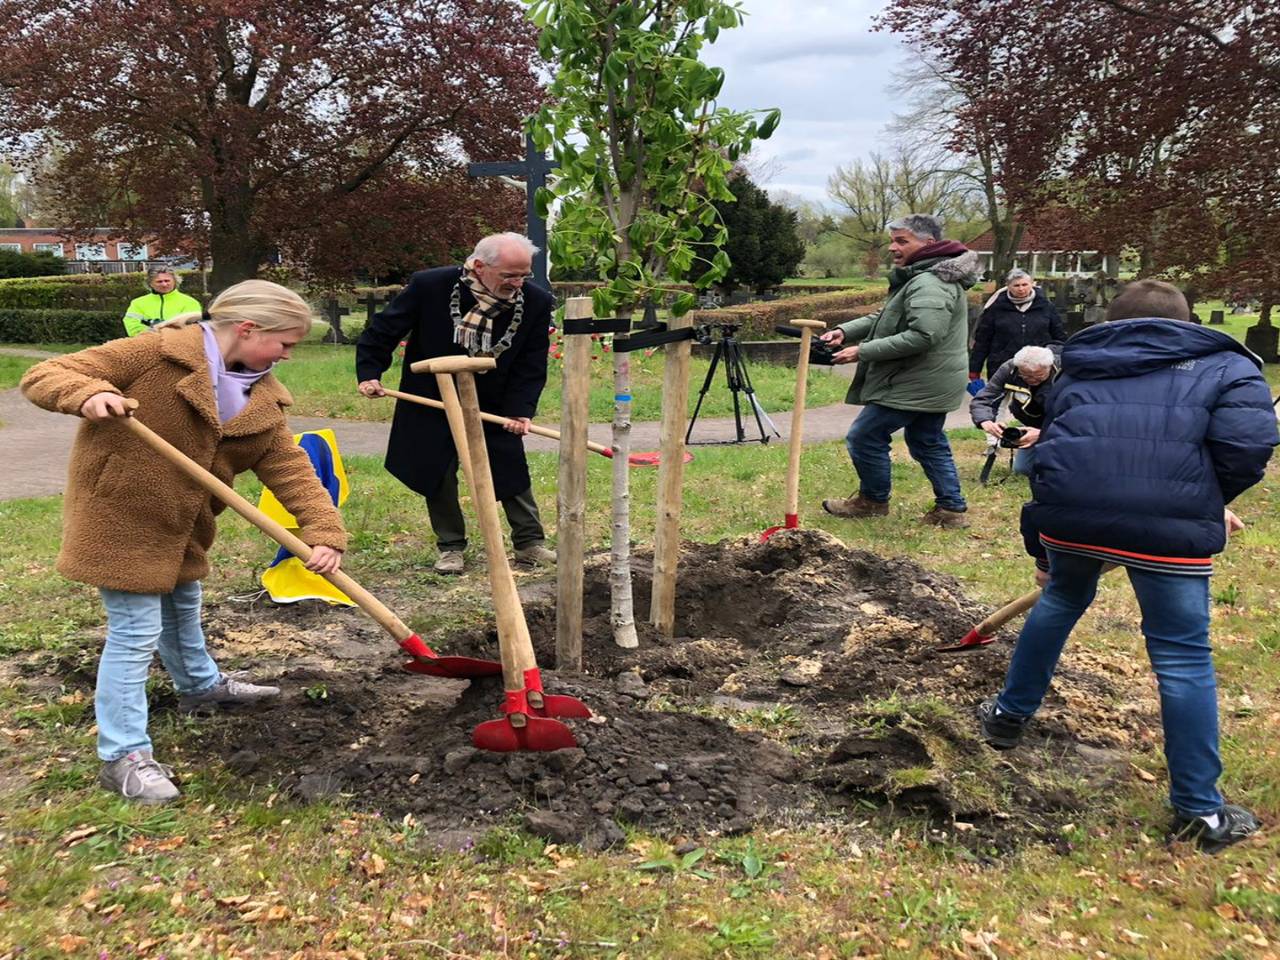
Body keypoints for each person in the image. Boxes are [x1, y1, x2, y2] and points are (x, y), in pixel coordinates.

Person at [976, 279, 1278, 853]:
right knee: (1181, 653)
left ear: (1114, 321)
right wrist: (1207, 500)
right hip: (1166, 529)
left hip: (1073, 515)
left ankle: (1006, 717)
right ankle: (1200, 811)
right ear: (1187, 321)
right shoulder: (1229, 368)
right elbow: (1247, 448)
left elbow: (1058, 441)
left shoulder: (1080, 365)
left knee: (1061, 599)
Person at [21, 280, 348, 805]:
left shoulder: (260, 394)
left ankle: (199, 686)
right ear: (248, 329)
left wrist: (324, 531)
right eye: (285, 343)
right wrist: (89, 394)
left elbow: (290, 468)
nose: (288, 355)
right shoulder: (156, 353)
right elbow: (46, 374)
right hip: (119, 514)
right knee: (135, 631)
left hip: (184, 522)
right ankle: (123, 755)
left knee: (182, 603)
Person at [356, 233, 553, 574]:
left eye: (524, 275)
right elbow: (383, 331)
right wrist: (370, 373)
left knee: (509, 466)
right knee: (437, 470)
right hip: (430, 396)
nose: (517, 283)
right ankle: (450, 547)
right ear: (479, 266)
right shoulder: (430, 286)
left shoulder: (535, 301)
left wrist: (520, 410)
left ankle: (529, 543)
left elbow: (532, 362)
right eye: (509, 275)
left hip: (495, 401)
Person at [819, 213, 979, 528]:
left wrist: (862, 351)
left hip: (918, 379)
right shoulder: (924, 277)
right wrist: (844, 331)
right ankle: (951, 509)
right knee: (926, 439)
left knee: (865, 436)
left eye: (902, 241)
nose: (893, 247)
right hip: (932, 378)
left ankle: (872, 501)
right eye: (893, 241)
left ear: (928, 244)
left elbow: (924, 335)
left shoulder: (931, 282)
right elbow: (886, 316)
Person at [970, 344, 1060, 477]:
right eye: (1026, 376)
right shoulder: (1009, 369)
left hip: (1064, 424)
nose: (1032, 380)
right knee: (1024, 469)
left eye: (1038, 375)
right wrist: (985, 421)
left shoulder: (1066, 371)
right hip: (1032, 422)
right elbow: (984, 398)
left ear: (1050, 366)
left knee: (1061, 468)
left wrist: (1045, 433)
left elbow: (1080, 414)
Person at [968, 268, 1065, 381]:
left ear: (1032, 284)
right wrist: (975, 369)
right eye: (1016, 285)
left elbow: (1059, 337)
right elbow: (983, 340)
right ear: (1008, 286)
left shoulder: (1046, 306)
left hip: (1037, 368)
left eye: (1024, 284)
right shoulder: (995, 308)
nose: (1021, 289)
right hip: (1002, 367)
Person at [121, 266, 204, 337]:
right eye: (159, 281)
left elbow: (192, 327)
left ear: (175, 281)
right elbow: (132, 324)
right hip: (146, 344)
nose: (164, 284)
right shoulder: (137, 303)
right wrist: (151, 333)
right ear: (150, 284)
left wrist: (166, 333)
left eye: (167, 281)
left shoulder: (190, 302)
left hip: (179, 344)